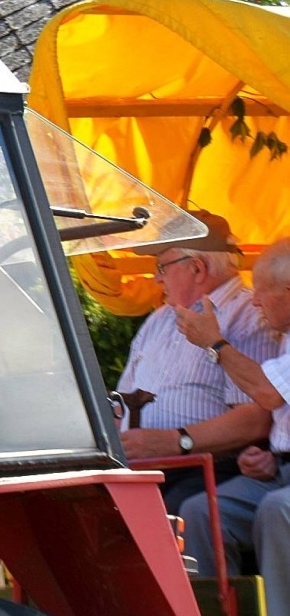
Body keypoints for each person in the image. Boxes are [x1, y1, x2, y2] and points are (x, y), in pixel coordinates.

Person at [175, 238, 290, 616]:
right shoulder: (284, 341)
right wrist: (267, 454)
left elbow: (266, 393)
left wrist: (214, 343)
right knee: (201, 512)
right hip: (280, 474)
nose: (254, 299)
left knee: (278, 511)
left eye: (263, 290)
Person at [115, 212, 275, 509]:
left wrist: (175, 441)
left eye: (161, 266)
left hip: (209, 467)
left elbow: (257, 418)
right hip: (144, 468)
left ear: (198, 269)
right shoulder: (159, 318)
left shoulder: (250, 316)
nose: (156, 277)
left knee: (166, 518)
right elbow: (121, 401)